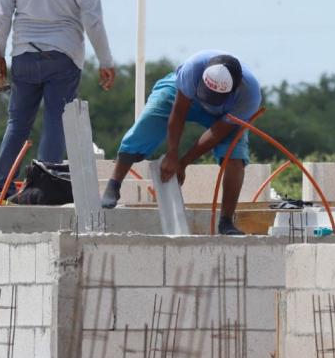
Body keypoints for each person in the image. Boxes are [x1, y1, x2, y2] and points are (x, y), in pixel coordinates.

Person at [0, 0, 116, 197]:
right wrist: (105, 61)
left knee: (17, 124)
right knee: (57, 122)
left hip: (23, 55)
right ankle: (42, 192)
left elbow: (2, 14)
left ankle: (2, 191)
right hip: (63, 55)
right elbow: (92, 18)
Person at [102, 51, 262, 235]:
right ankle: (114, 184)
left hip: (224, 115)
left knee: (234, 155)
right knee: (148, 123)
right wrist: (172, 154)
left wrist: (183, 162)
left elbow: (217, 132)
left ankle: (226, 222)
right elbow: (178, 112)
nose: (207, 100)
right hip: (182, 93)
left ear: (235, 88)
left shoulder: (249, 97)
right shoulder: (193, 68)